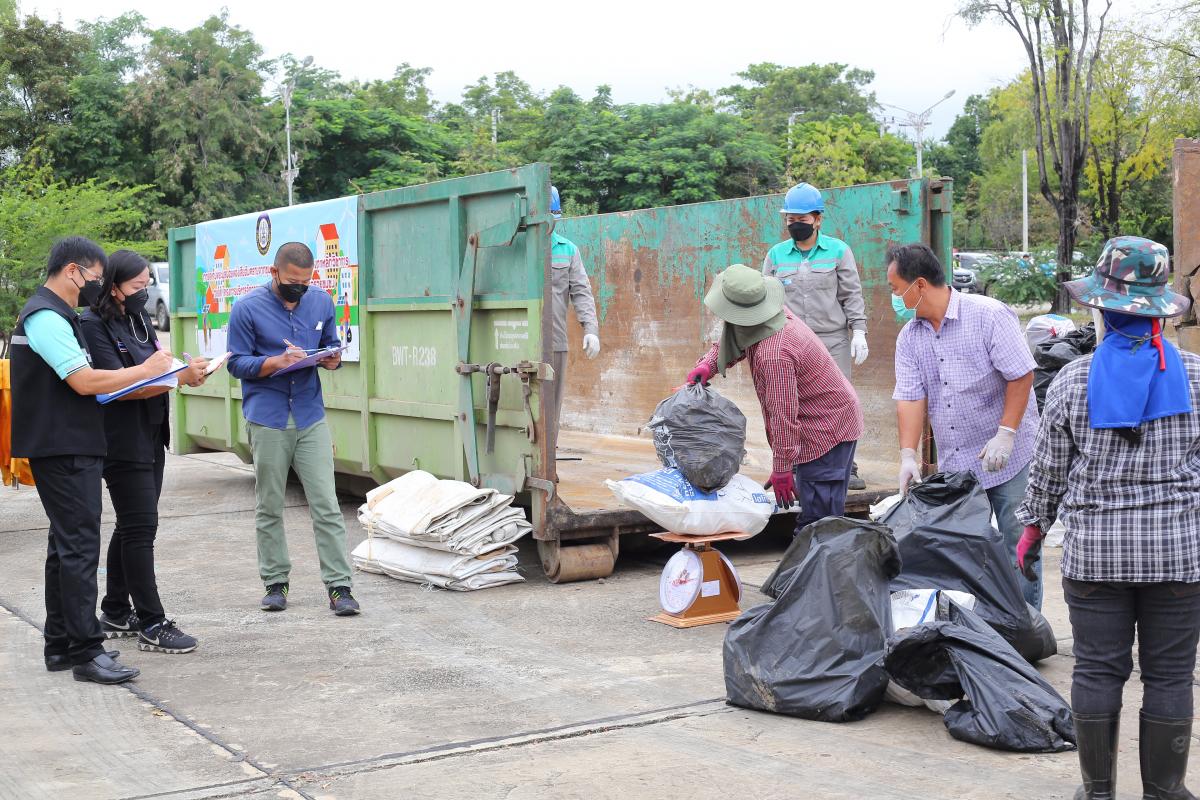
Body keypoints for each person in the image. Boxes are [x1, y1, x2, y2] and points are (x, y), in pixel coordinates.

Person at [1015, 237, 1200, 800]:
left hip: (1096, 556)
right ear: (1159, 311)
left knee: (1097, 671)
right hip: (1177, 555)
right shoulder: (1197, 377)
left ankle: (1097, 792)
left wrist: (1032, 529)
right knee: (1170, 675)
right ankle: (1165, 791)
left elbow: (1049, 473)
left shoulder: (1072, 381)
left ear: (1102, 308)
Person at [11, 237, 174, 684]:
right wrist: (146, 371)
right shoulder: (46, 316)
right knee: (80, 548)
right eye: (95, 278)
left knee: (64, 547)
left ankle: (61, 645)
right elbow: (83, 381)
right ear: (72, 271)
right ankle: (87, 651)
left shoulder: (59, 315)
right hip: (62, 447)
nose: (97, 287)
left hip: (72, 444)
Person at [888, 242, 1042, 609]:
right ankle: (980, 627)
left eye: (895, 288)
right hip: (958, 464)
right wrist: (907, 455)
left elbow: (1021, 375)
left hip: (1010, 456)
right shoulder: (909, 337)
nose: (894, 297)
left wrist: (1006, 433)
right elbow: (910, 397)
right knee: (963, 551)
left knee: (1018, 544)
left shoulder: (988, 316)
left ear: (919, 285)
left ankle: (1025, 627)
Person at [81, 250, 210, 654]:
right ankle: (152, 623)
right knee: (140, 529)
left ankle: (116, 611)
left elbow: (158, 366)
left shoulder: (137, 318)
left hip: (152, 431)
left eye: (147, 284)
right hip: (121, 439)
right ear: (113, 286)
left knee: (131, 524)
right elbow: (119, 385)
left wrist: (186, 372)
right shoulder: (92, 324)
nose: (145, 291)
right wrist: (177, 380)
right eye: (137, 285)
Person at [226, 242, 360, 616]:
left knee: (326, 504)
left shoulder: (321, 302)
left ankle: (340, 587)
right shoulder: (247, 308)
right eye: (291, 282)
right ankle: (275, 582)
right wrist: (275, 362)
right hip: (267, 417)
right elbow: (236, 363)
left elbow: (330, 345)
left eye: (305, 282)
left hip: (309, 415)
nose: (298, 289)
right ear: (274, 273)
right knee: (270, 504)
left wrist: (332, 359)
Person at [685, 264, 863, 534]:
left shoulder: (775, 354)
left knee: (819, 524)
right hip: (820, 421)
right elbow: (736, 336)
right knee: (814, 517)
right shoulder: (771, 316)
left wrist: (782, 468)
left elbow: (783, 417)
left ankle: (820, 559)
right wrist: (708, 364)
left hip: (827, 430)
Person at [762, 182, 869, 490]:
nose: (796, 224)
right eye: (790, 219)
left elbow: (851, 294)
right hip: (791, 343)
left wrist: (859, 331)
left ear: (818, 219)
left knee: (840, 403)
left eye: (802, 219)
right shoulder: (776, 255)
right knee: (792, 403)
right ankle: (797, 464)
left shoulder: (838, 251)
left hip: (832, 340)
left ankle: (847, 465)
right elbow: (765, 299)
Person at [546, 185, 600, 451]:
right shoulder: (515, 249)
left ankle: (547, 462)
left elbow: (581, 292)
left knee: (551, 407)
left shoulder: (567, 250)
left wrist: (591, 329)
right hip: (517, 337)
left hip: (555, 342)